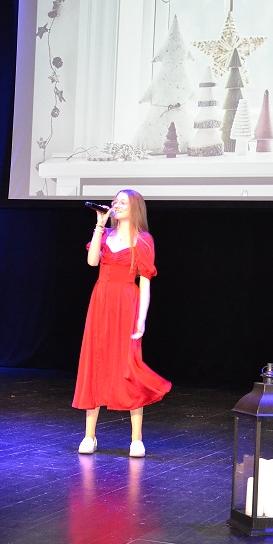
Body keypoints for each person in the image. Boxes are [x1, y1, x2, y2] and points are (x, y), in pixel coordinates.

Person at [73, 189, 171, 457]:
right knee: (95, 362)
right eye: (115, 201)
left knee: (128, 365)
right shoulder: (105, 234)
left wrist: (141, 319)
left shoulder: (143, 240)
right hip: (101, 300)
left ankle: (136, 439)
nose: (116, 205)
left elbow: (145, 283)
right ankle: (89, 436)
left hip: (127, 302)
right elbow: (92, 261)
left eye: (123, 202)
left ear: (135, 208)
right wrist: (99, 225)